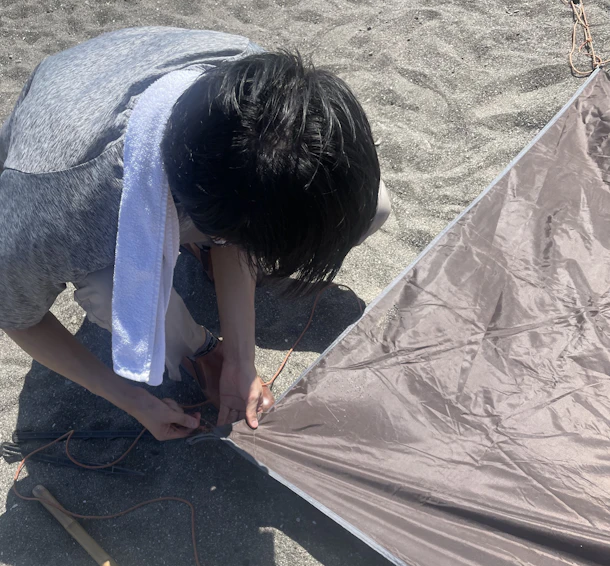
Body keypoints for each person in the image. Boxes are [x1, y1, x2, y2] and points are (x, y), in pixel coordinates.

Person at [0, 27, 390, 441]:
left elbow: (238, 227)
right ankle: (200, 351)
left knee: (373, 208)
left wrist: (241, 359)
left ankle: (213, 285)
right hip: (66, 154)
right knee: (118, 296)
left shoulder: (265, 91)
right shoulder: (52, 211)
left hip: (147, 116)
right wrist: (134, 401)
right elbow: (17, 317)